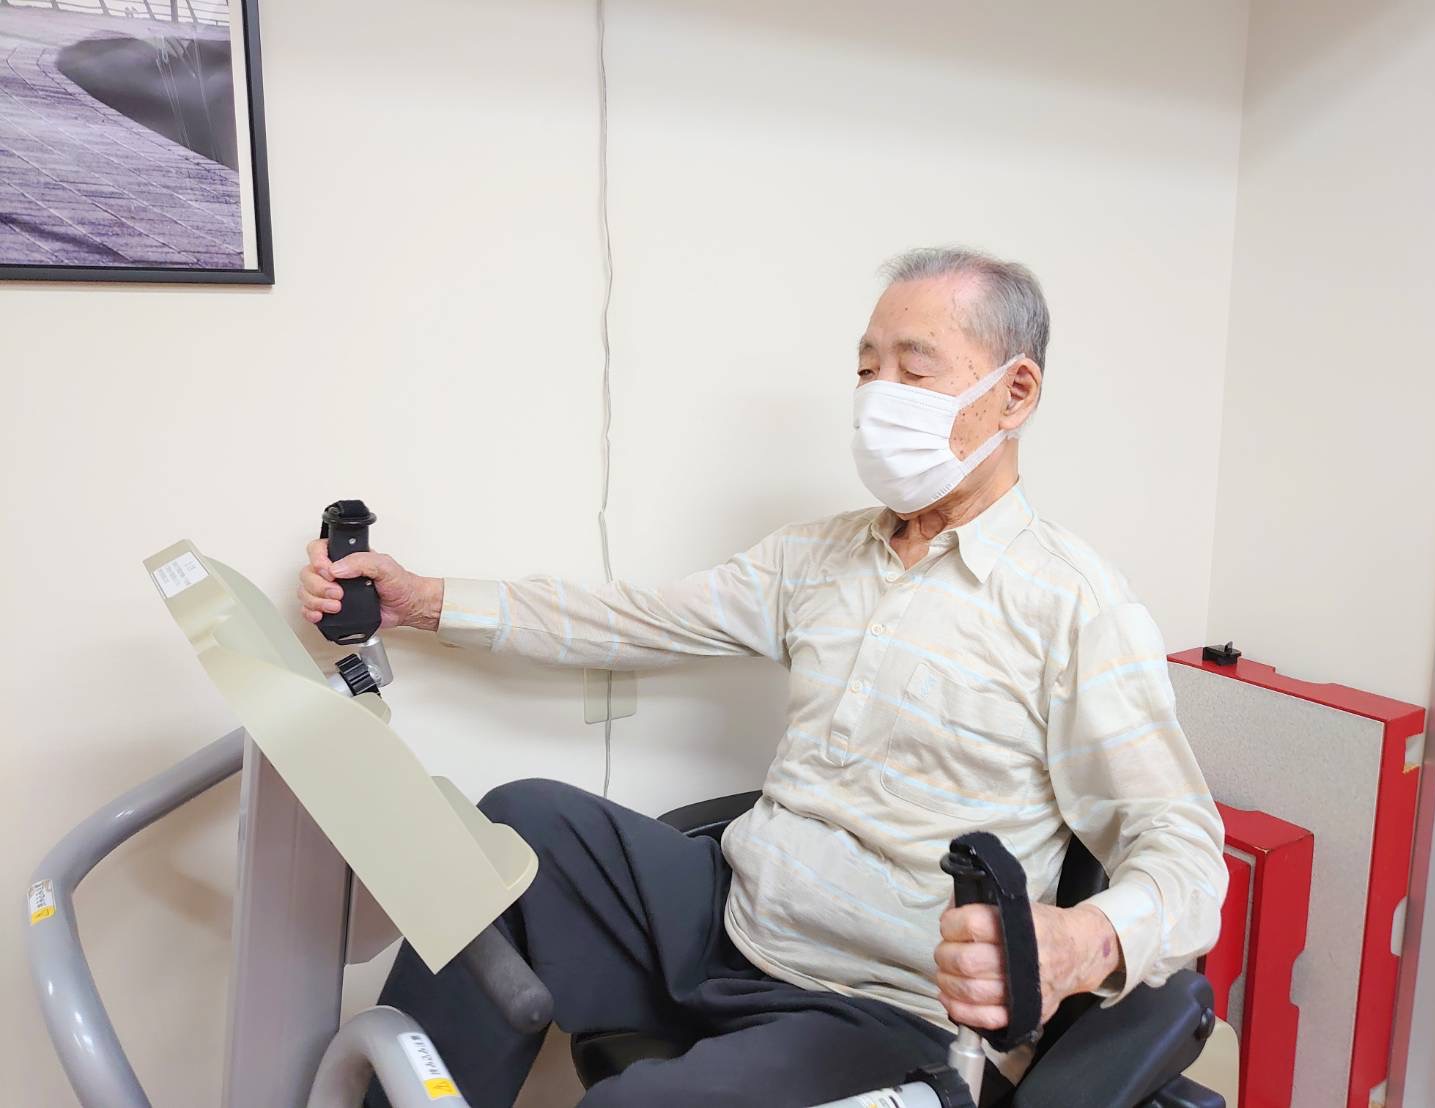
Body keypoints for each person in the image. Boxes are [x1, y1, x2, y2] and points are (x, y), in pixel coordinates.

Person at [299, 247, 1228, 1108]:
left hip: (880, 1007)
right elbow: (633, 617)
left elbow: (1181, 848)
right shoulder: (818, 558)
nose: (879, 395)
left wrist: (1083, 941)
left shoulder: (1075, 607)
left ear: (1013, 393)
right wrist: (422, 602)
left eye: (913, 370)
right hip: (730, 916)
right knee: (517, 826)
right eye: (866, 369)